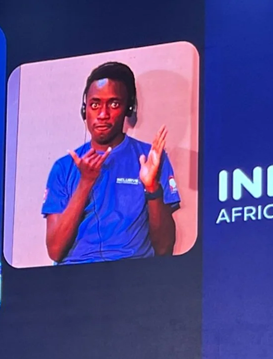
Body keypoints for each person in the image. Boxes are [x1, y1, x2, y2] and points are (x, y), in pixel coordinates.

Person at [43, 61, 180, 264]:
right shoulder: (63, 167)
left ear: (129, 108)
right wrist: (85, 183)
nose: (103, 114)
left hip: (132, 277)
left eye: (114, 104)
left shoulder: (150, 158)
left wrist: (152, 187)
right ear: (84, 109)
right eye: (95, 104)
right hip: (73, 280)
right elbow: (54, 250)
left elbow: (164, 248)